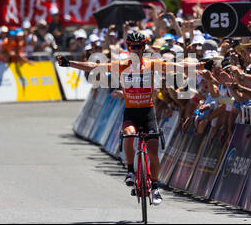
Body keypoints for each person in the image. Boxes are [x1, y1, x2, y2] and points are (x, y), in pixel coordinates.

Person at [56, 31, 214, 205]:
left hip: (147, 113)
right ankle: (131, 171)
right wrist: (69, 63)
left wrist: (201, 65)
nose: (136, 50)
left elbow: (178, 68)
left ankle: (154, 187)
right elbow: (94, 66)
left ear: (144, 48)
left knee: (153, 154)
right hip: (131, 112)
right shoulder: (122, 65)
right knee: (129, 135)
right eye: (132, 47)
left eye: (139, 47)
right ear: (129, 48)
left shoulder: (152, 64)